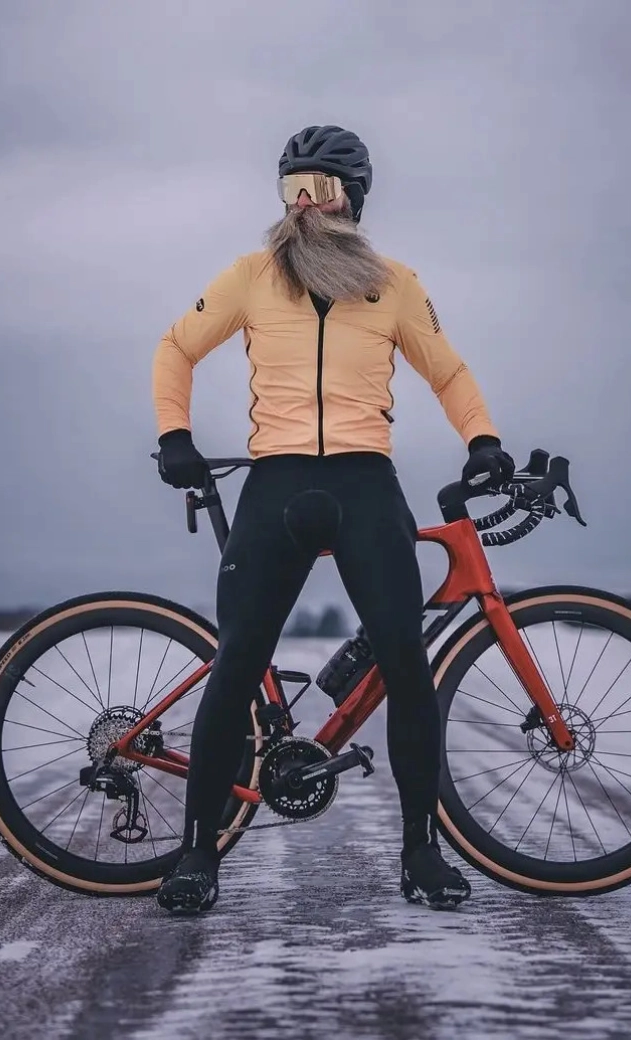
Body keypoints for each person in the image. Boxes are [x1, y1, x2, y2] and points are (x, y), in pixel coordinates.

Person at [150, 125, 514, 914]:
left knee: (406, 666)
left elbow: (446, 371)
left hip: (362, 483)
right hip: (276, 483)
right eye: (292, 190)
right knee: (237, 663)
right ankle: (195, 855)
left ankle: (421, 851)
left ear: (354, 200)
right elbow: (175, 350)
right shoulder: (250, 277)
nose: (306, 204)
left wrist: (481, 438)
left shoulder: (394, 284)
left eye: (321, 189)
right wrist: (173, 434)